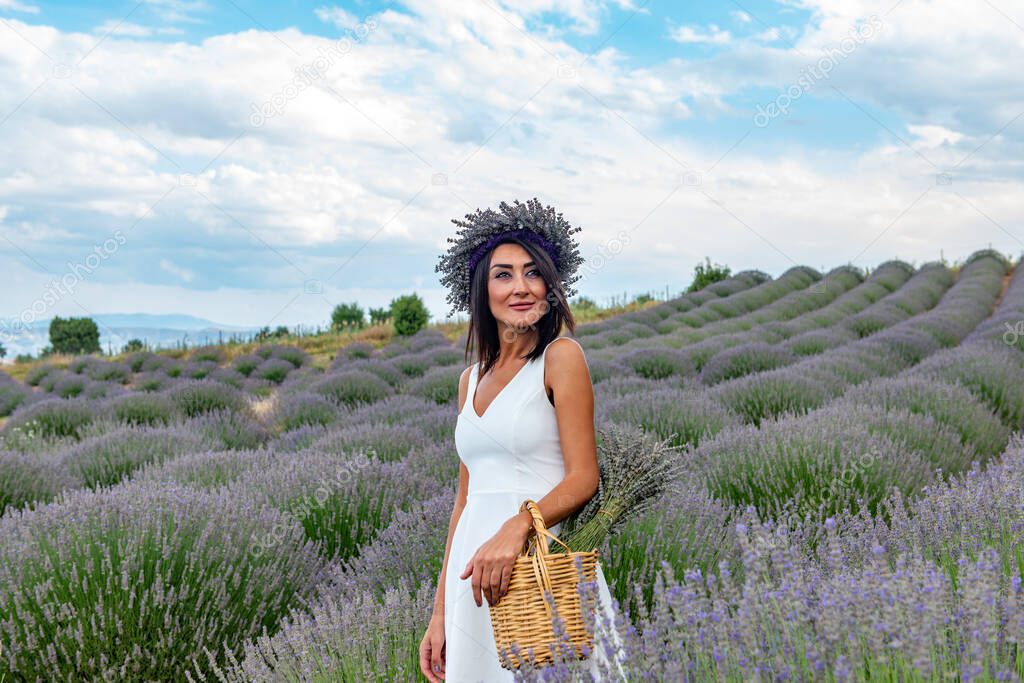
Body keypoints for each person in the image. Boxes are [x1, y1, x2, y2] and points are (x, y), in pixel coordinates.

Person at [420, 199, 625, 682]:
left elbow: (584, 477)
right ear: (482, 290)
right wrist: (440, 611)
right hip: (475, 582)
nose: (521, 287)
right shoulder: (468, 380)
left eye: (533, 273)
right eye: (504, 274)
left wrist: (518, 527)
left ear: (550, 286)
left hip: (540, 573)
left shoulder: (561, 357)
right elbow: (464, 501)